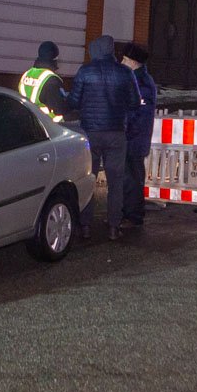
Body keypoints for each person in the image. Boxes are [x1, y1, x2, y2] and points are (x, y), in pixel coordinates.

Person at [66, 35, 140, 241]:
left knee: (88, 179)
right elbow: (135, 102)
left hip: (90, 134)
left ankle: (85, 225)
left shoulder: (85, 71)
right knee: (115, 182)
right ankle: (114, 227)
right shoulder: (125, 73)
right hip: (116, 134)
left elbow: (73, 101)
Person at [120, 42, 157, 227]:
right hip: (132, 138)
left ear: (134, 62)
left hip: (134, 140)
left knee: (132, 179)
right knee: (128, 178)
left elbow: (137, 114)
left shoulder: (141, 83)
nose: (122, 62)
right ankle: (127, 213)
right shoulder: (135, 79)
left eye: (125, 59)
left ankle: (133, 216)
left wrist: (125, 133)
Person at [18, 40, 67, 122]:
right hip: (48, 126)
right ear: (54, 59)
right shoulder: (51, 79)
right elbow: (59, 109)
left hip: (27, 121)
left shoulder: (26, 74)